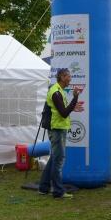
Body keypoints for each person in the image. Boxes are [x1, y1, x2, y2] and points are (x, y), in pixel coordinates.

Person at [38, 69, 83, 199]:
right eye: (69, 76)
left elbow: (61, 110)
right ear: (62, 77)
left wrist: (72, 106)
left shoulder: (59, 90)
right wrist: (75, 98)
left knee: (54, 158)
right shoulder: (56, 92)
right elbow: (63, 113)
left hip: (59, 128)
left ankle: (43, 187)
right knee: (59, 160)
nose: (70, 79)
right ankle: (58, 191)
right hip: (56, 130)